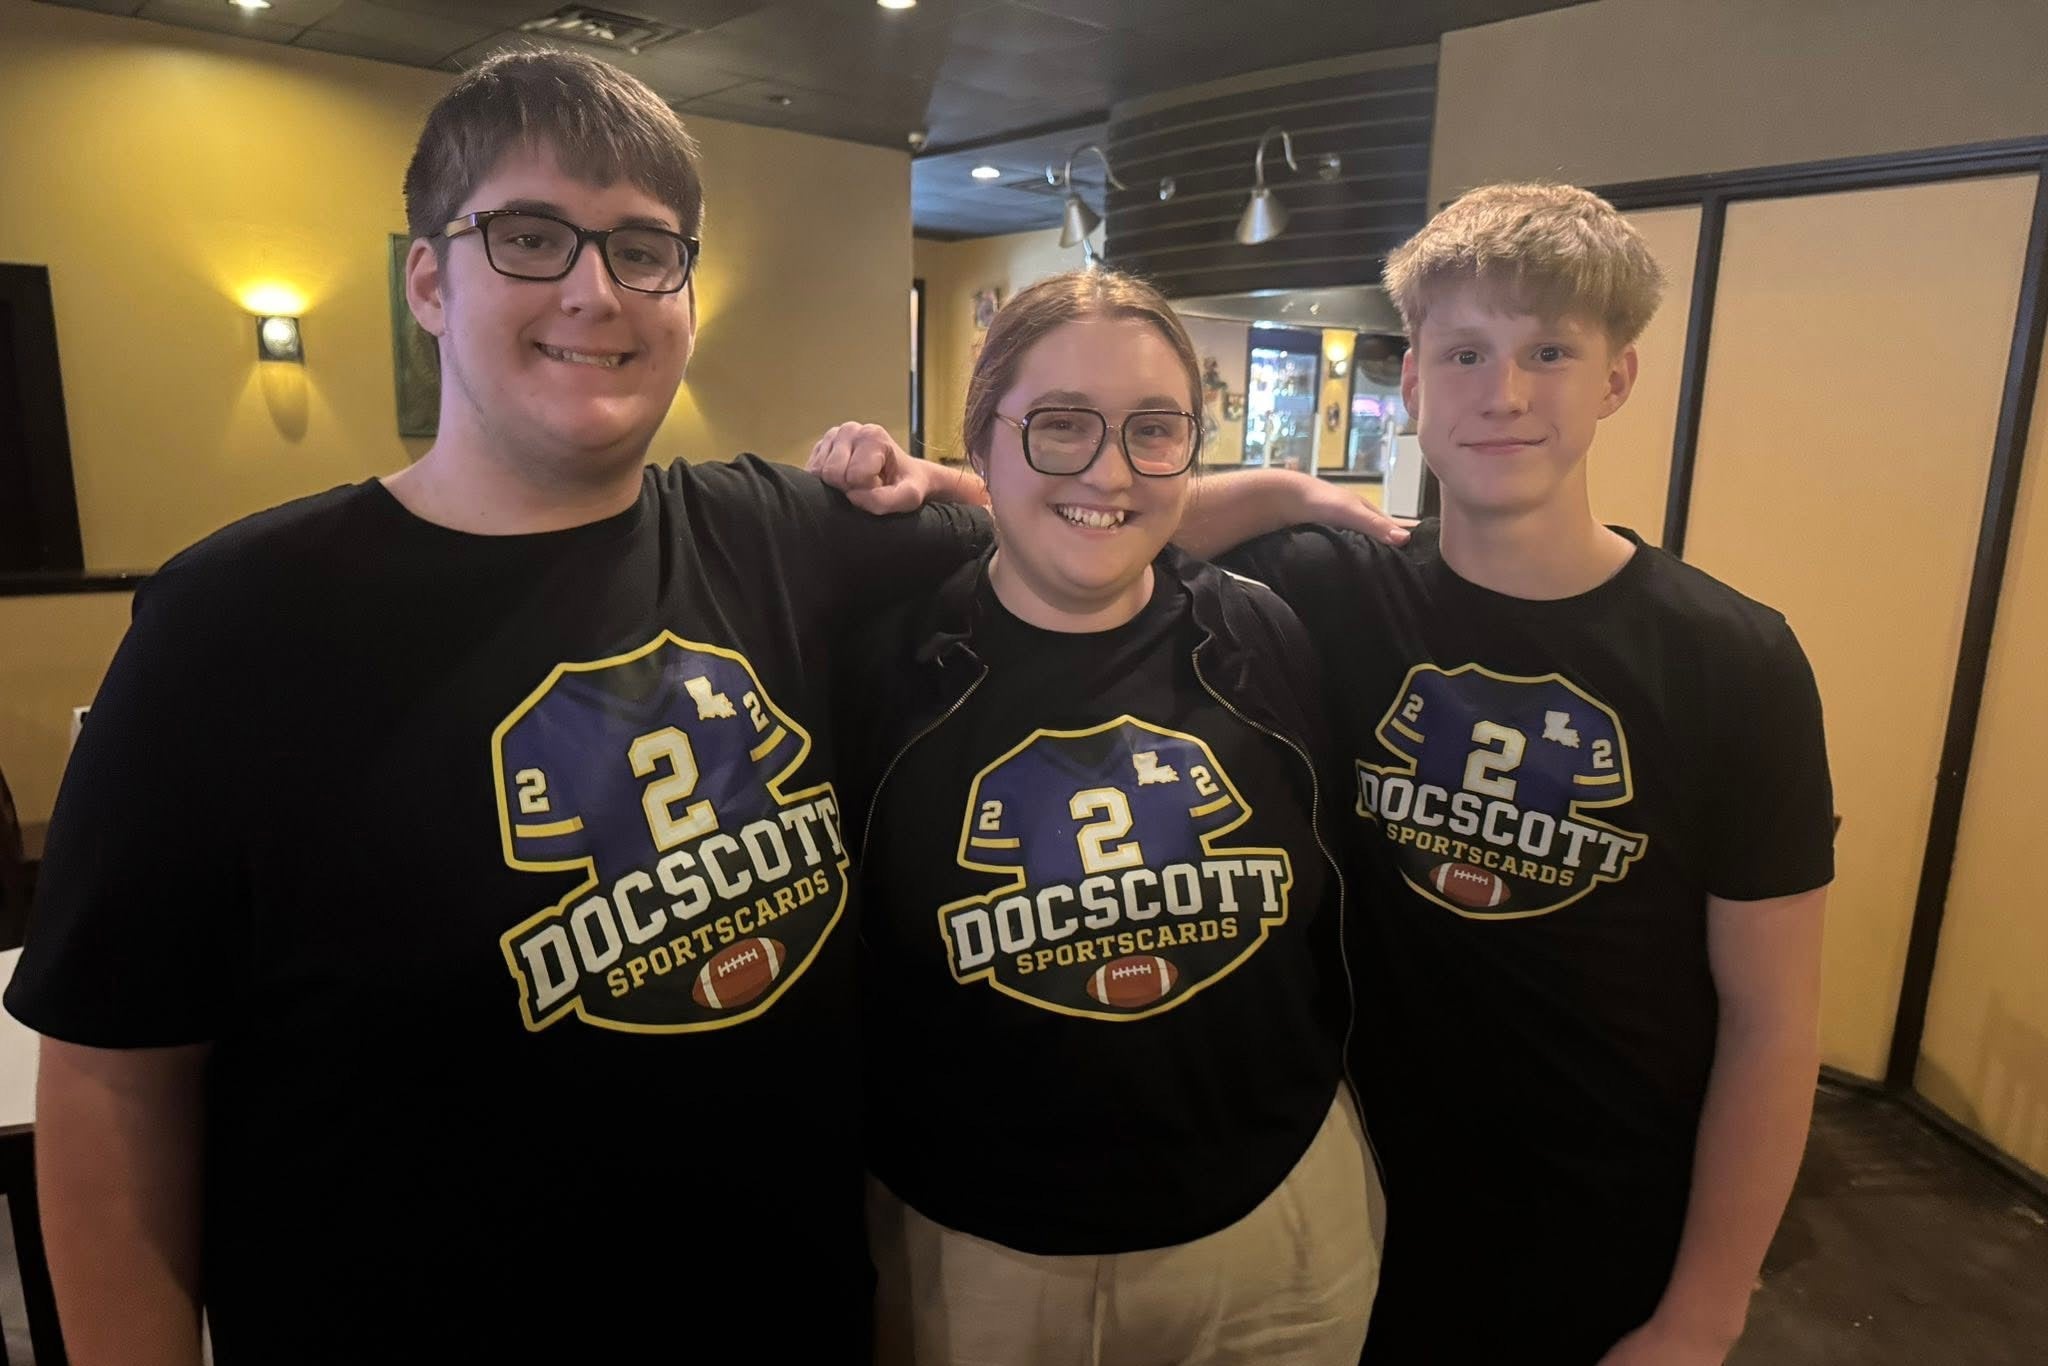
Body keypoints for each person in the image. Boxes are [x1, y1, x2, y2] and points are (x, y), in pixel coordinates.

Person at [4, 48, 993, 1363]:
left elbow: (1078, 526)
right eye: (532, 236)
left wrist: (1302, 505)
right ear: (428, 277)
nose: (596, 288)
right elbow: (114, 1079)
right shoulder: (235, 620)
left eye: (645, 248)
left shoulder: (774, 533)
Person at [817, 183, 1835, 1365]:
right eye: (1462, 352)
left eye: (1548, 350)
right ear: (1409, 384)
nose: (1501, 392)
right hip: (1359, 1191)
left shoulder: (1729, 657)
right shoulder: (1331, 593)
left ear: (1616, 380)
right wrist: (960, 488)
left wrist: (1706, 1313)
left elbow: (1772, 1017)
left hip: (1597, 1211)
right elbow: (1110, 516)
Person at [839, 269, 1381, 1365]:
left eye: (1152, 429)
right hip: (979, 1250)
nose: (1108, 468)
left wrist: (1290, 491)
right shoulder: (880, 670)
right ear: (979, 445)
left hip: (1273, 1221)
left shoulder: (1269, 634)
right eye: (1058, 426)